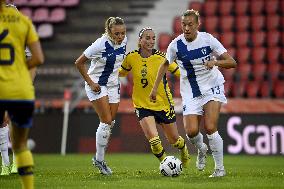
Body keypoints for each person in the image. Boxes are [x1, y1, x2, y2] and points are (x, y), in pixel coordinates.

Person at [150, 9, 236, 177]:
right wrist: (154, 88)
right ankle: (201, 149)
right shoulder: (175, 45)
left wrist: (215, 62)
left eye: (190, 24)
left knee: (210, 127)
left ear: (198, 25)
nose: (187, 28)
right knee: (191, 132)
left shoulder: (208, 40)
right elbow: (164, 65)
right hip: (190, 92)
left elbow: (231, 62)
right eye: (184, 24)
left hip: (212, 86)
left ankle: (219, 169)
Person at [119, 27, 190, 167]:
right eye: (147, 38)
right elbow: (122, 73)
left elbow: (180, 73)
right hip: (142, 104)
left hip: (163, 104)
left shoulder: (162, 57)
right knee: (154, 141)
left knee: (174, 140)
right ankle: (166, 164)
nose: (151, 41)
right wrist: (107, 71)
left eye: (153, 38)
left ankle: (183, 150)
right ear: (140, 40)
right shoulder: (131, 57)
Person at [0, 1, 44, 189]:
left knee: (3, 123)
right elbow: (37, 58)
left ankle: (5, 164)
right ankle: (26, 182)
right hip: (19, 86)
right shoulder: (25, 24)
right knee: (20, 141)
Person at [75, 17, 127, 175]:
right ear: (109, 32)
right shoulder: (100, 44)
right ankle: (99, 160)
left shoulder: (124, 41)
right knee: (106, 121)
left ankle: (99, 158)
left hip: (113, 85)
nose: (120, 36)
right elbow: (79, 62)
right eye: (117, 34)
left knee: (110, 123)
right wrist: (90, 82)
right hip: (97, 84)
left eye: (123, 33)